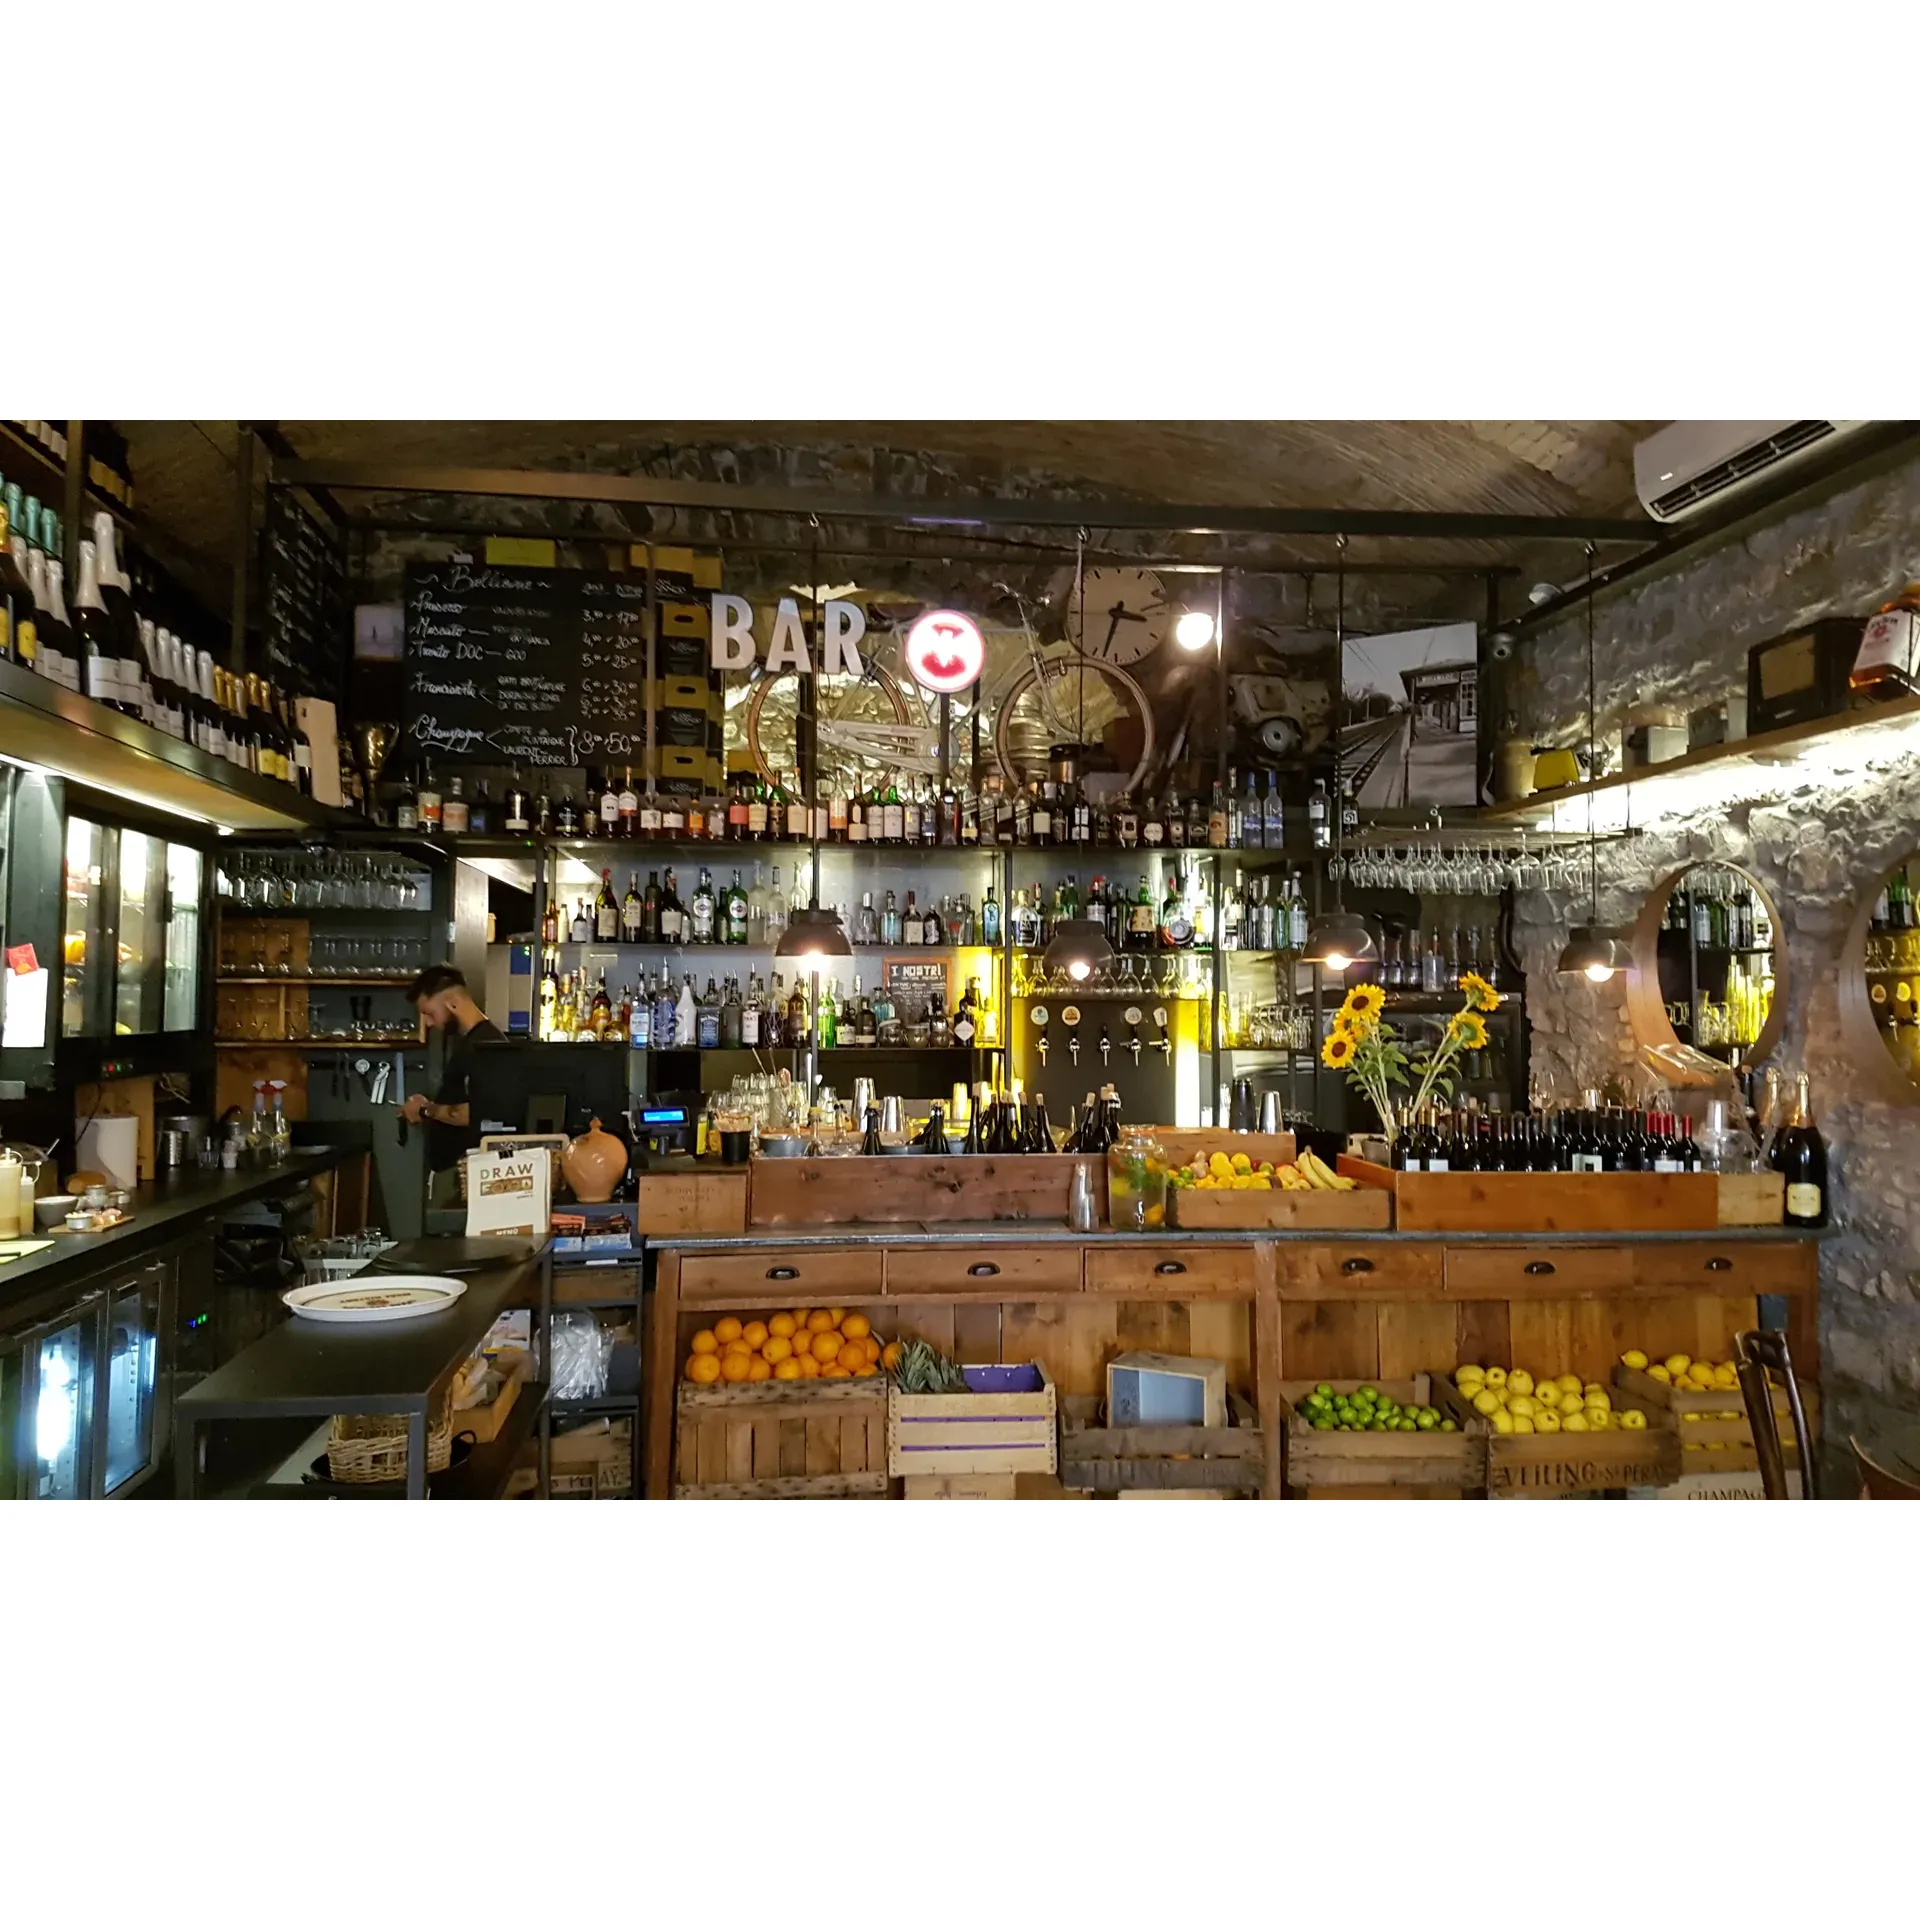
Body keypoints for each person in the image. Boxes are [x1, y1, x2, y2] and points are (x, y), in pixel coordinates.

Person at [403, 965, 504, 1195]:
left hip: (470, 1179)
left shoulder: (486, 1047)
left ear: (453, 1002)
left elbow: (477, 1112)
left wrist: (425, 1109)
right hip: (458, 1174)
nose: (428, 1023)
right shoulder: (469, 1043)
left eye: (429, 1013)